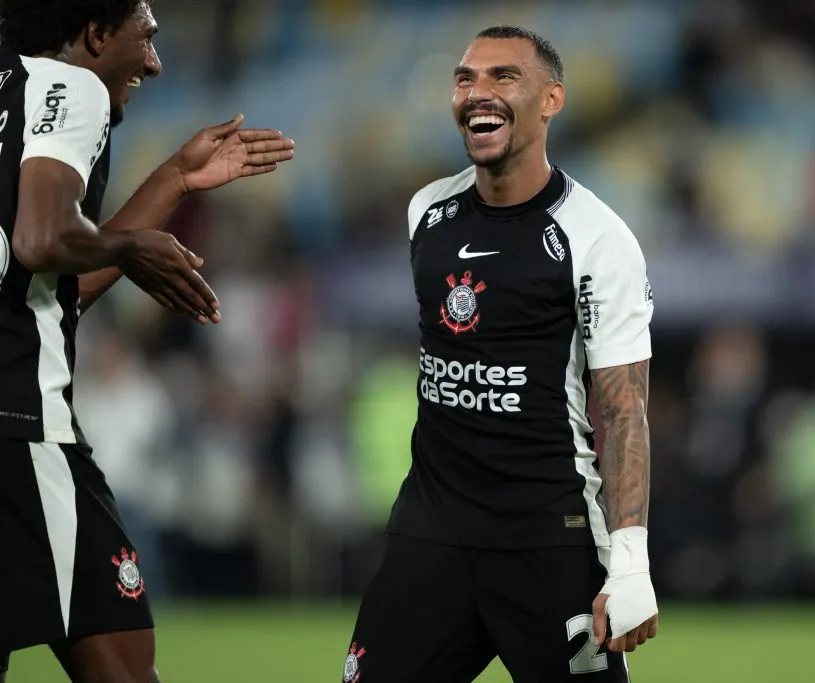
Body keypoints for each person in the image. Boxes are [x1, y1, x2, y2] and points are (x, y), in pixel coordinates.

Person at [343, 25, 657, 683]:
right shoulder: (428, 212)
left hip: (548, 538)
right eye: (465, 78)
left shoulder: (598, 239)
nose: (477, 92)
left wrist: (630, 560)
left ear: (551, 100)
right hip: (431, 531)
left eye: (503, 76)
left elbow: (623, 410)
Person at [0, 1, 295, 680]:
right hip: (20, 431)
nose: (156, 63)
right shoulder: (70, 85)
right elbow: (41, 238)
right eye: (147, 38)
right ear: (96, 33)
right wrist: (133, 248)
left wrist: (172, 181)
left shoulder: (8, 93)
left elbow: (48, 291)